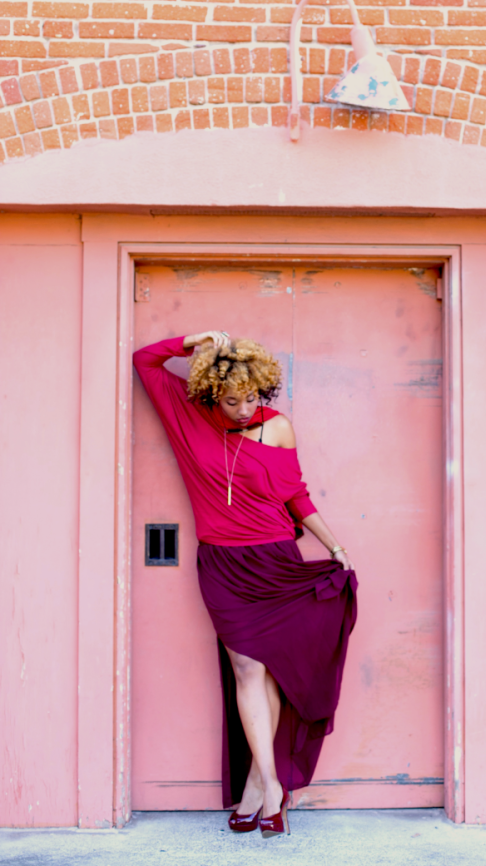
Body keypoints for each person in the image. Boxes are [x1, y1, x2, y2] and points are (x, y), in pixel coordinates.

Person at [133, 329, 357, 838]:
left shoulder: (277, 428)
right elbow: (144, 362)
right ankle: (270, 786)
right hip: (223, 565)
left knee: (269, 671)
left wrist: (336, 547)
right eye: (232, 399)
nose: (242, 408)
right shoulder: (186, 415)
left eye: (251, 397)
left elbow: (295, 496)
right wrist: (192, 341)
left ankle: (261, 786)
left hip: (276, 560)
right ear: (212, 393)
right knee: (246, 666)